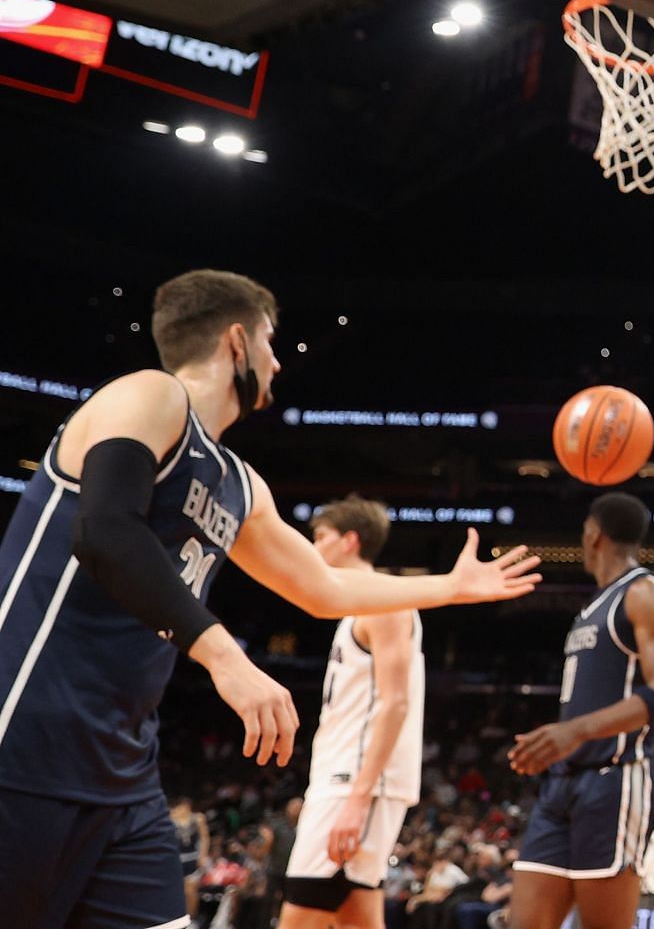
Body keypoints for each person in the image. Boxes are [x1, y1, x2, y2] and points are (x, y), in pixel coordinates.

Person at [0, 268, 542, 929]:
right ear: (236, 342)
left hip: (123, 775)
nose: (278, 361)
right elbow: (107, 532)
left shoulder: (239, 483)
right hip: (24, 742)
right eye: (269, 342)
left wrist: (450, 588)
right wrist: (226, 657)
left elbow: (325, 588)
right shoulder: (148, 395)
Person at [507, 492, 654, 929]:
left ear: (593, 534)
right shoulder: (592, 607)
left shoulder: (647, 593)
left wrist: (576, 731)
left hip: (615, 779)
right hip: (562, 784)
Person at [279, 497, 427, 929]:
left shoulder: (386, 601)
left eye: (320, 537)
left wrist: (358, 797)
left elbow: (395, 702)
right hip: (343, 776)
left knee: (299, 917)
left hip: (356, 783)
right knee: (355, 918)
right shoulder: (358, 606)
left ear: (350, 541)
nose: (314, 547)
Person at [172, 795, 211, 921]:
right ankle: (178, 919)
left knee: (191, 891)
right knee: (177, 892)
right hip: (176, 860)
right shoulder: (170, 818)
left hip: (192, 858)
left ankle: (192, 920)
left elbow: (204, 838)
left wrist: (203, 855)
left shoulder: (198, 818)